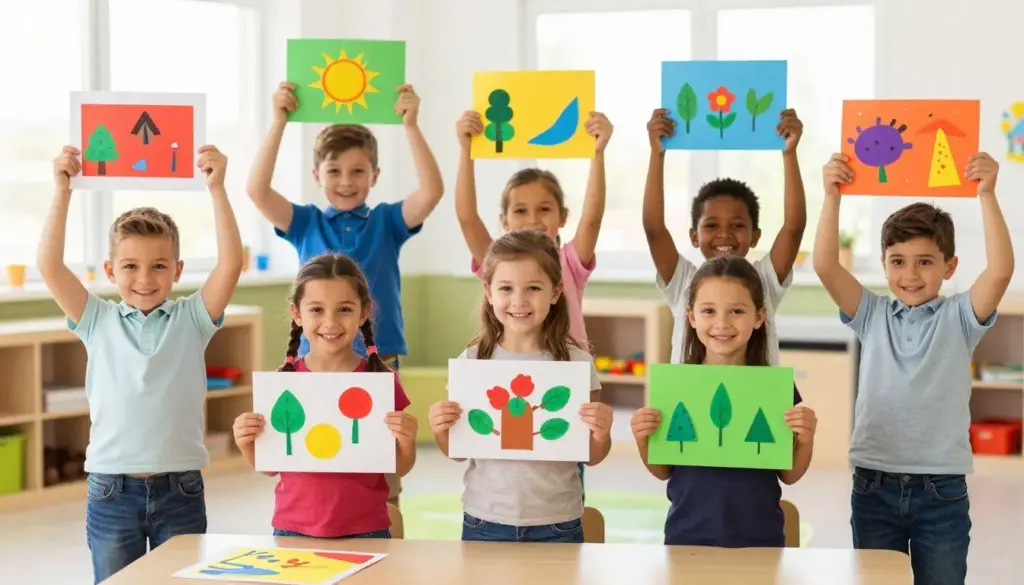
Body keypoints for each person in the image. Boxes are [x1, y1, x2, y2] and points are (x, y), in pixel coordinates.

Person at [41, 145, 244, 583]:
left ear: (177, 269)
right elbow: (50, 266)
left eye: (158, 266)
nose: (145, 279)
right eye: (131, 266)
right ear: (111, 271)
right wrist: (62, 190)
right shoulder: (96, 318)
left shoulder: (192, 318)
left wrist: (217, 189)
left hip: (181, 488)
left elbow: (231, 264)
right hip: (112, 489)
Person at [813, 152, 1013, 585]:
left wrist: (988, 195)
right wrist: (831, 197)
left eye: (925, 261)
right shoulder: (871, 313)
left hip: (941, 490)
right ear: (884, 264)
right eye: (898, 261)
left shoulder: (960, 316)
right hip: (873, 484)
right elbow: (826, 266)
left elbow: (1000, 271)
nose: (910, 274)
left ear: (949, 266)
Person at [248, 81, 442, 505]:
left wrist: (411, 126)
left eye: (358, 171)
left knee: (383, 475)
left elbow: (431, 193)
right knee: (320, 459)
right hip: (314, 365)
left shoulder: (388, 221)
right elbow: (257, 191)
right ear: (317, 176)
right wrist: (278, 121)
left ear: (375, 175)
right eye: (334, 171)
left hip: (376, 360)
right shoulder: (304, 222)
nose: (346, 181)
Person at [427, 230, 613, 543]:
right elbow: (457, 452)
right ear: (488, 291)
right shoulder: (473, 361)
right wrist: (440, 428)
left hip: (558, 521)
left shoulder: (577, 364)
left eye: (533, 288)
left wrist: (602, 433)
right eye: (506, 288)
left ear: (555, 292)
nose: (519, 301)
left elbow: (591, 455)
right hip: (484, 518)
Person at [631, 256, 816, 548]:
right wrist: (642, 438)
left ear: (759, 317)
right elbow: (663, 471)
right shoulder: (677, 387)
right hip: (687, 538)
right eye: (708, 311)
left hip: (760, 540)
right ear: (691, 317)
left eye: (737, 311)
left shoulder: (776, 390)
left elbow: (790, 474)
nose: (722, 323)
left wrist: (806, 439)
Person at [232, 253, 418, 539]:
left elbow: (398, 467)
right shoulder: (284, 383)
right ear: (297, 314)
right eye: (316, 310)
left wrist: (407, 441)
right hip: (293, 527)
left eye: (344, 309)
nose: (330, 322)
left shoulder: (380, 381)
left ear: (364, 312)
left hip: (367, 526)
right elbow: (269, 467)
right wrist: (246, 442)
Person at [643, 108, 807, 365]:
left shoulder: (762, 280)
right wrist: (657, 154)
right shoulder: (684, 281)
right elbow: (654, 228)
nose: (724, 234)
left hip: (758, 401)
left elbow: (794, 227)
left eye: (738, 225)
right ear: (693, 236)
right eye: (711, 226)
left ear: (755, 236)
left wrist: (789, 154)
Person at [453, 109, 613, 349]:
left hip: (568, 371)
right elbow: (467, 218)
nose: (532, 220)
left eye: (544, 209)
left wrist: (598, 153)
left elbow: (592, 219)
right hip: (511, 373)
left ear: (563, 217)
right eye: (520, 211)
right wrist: (466, 150)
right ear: (504, 220)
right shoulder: (497, 260)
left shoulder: (569, 260)